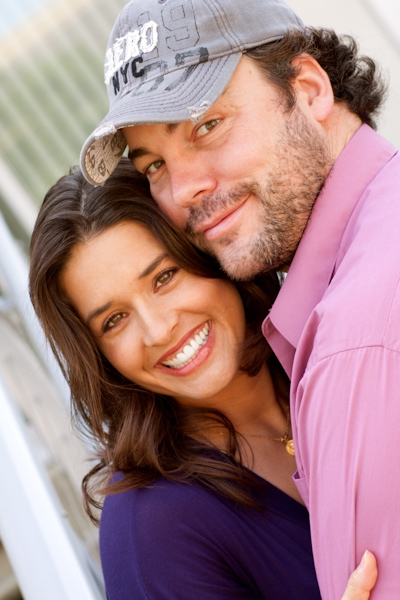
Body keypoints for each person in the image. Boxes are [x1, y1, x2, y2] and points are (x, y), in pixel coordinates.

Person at [78, 0, 400, 597]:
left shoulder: (351, 346)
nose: (185, 188)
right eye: (153, 165)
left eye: (207, 125)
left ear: (308, 88)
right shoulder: (153, 525)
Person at [29, 159, 376, 600]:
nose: (157, 330)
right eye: (115, 320)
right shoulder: (151, 529)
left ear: (208, 250)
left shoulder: (346, 364)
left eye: (164, 277)